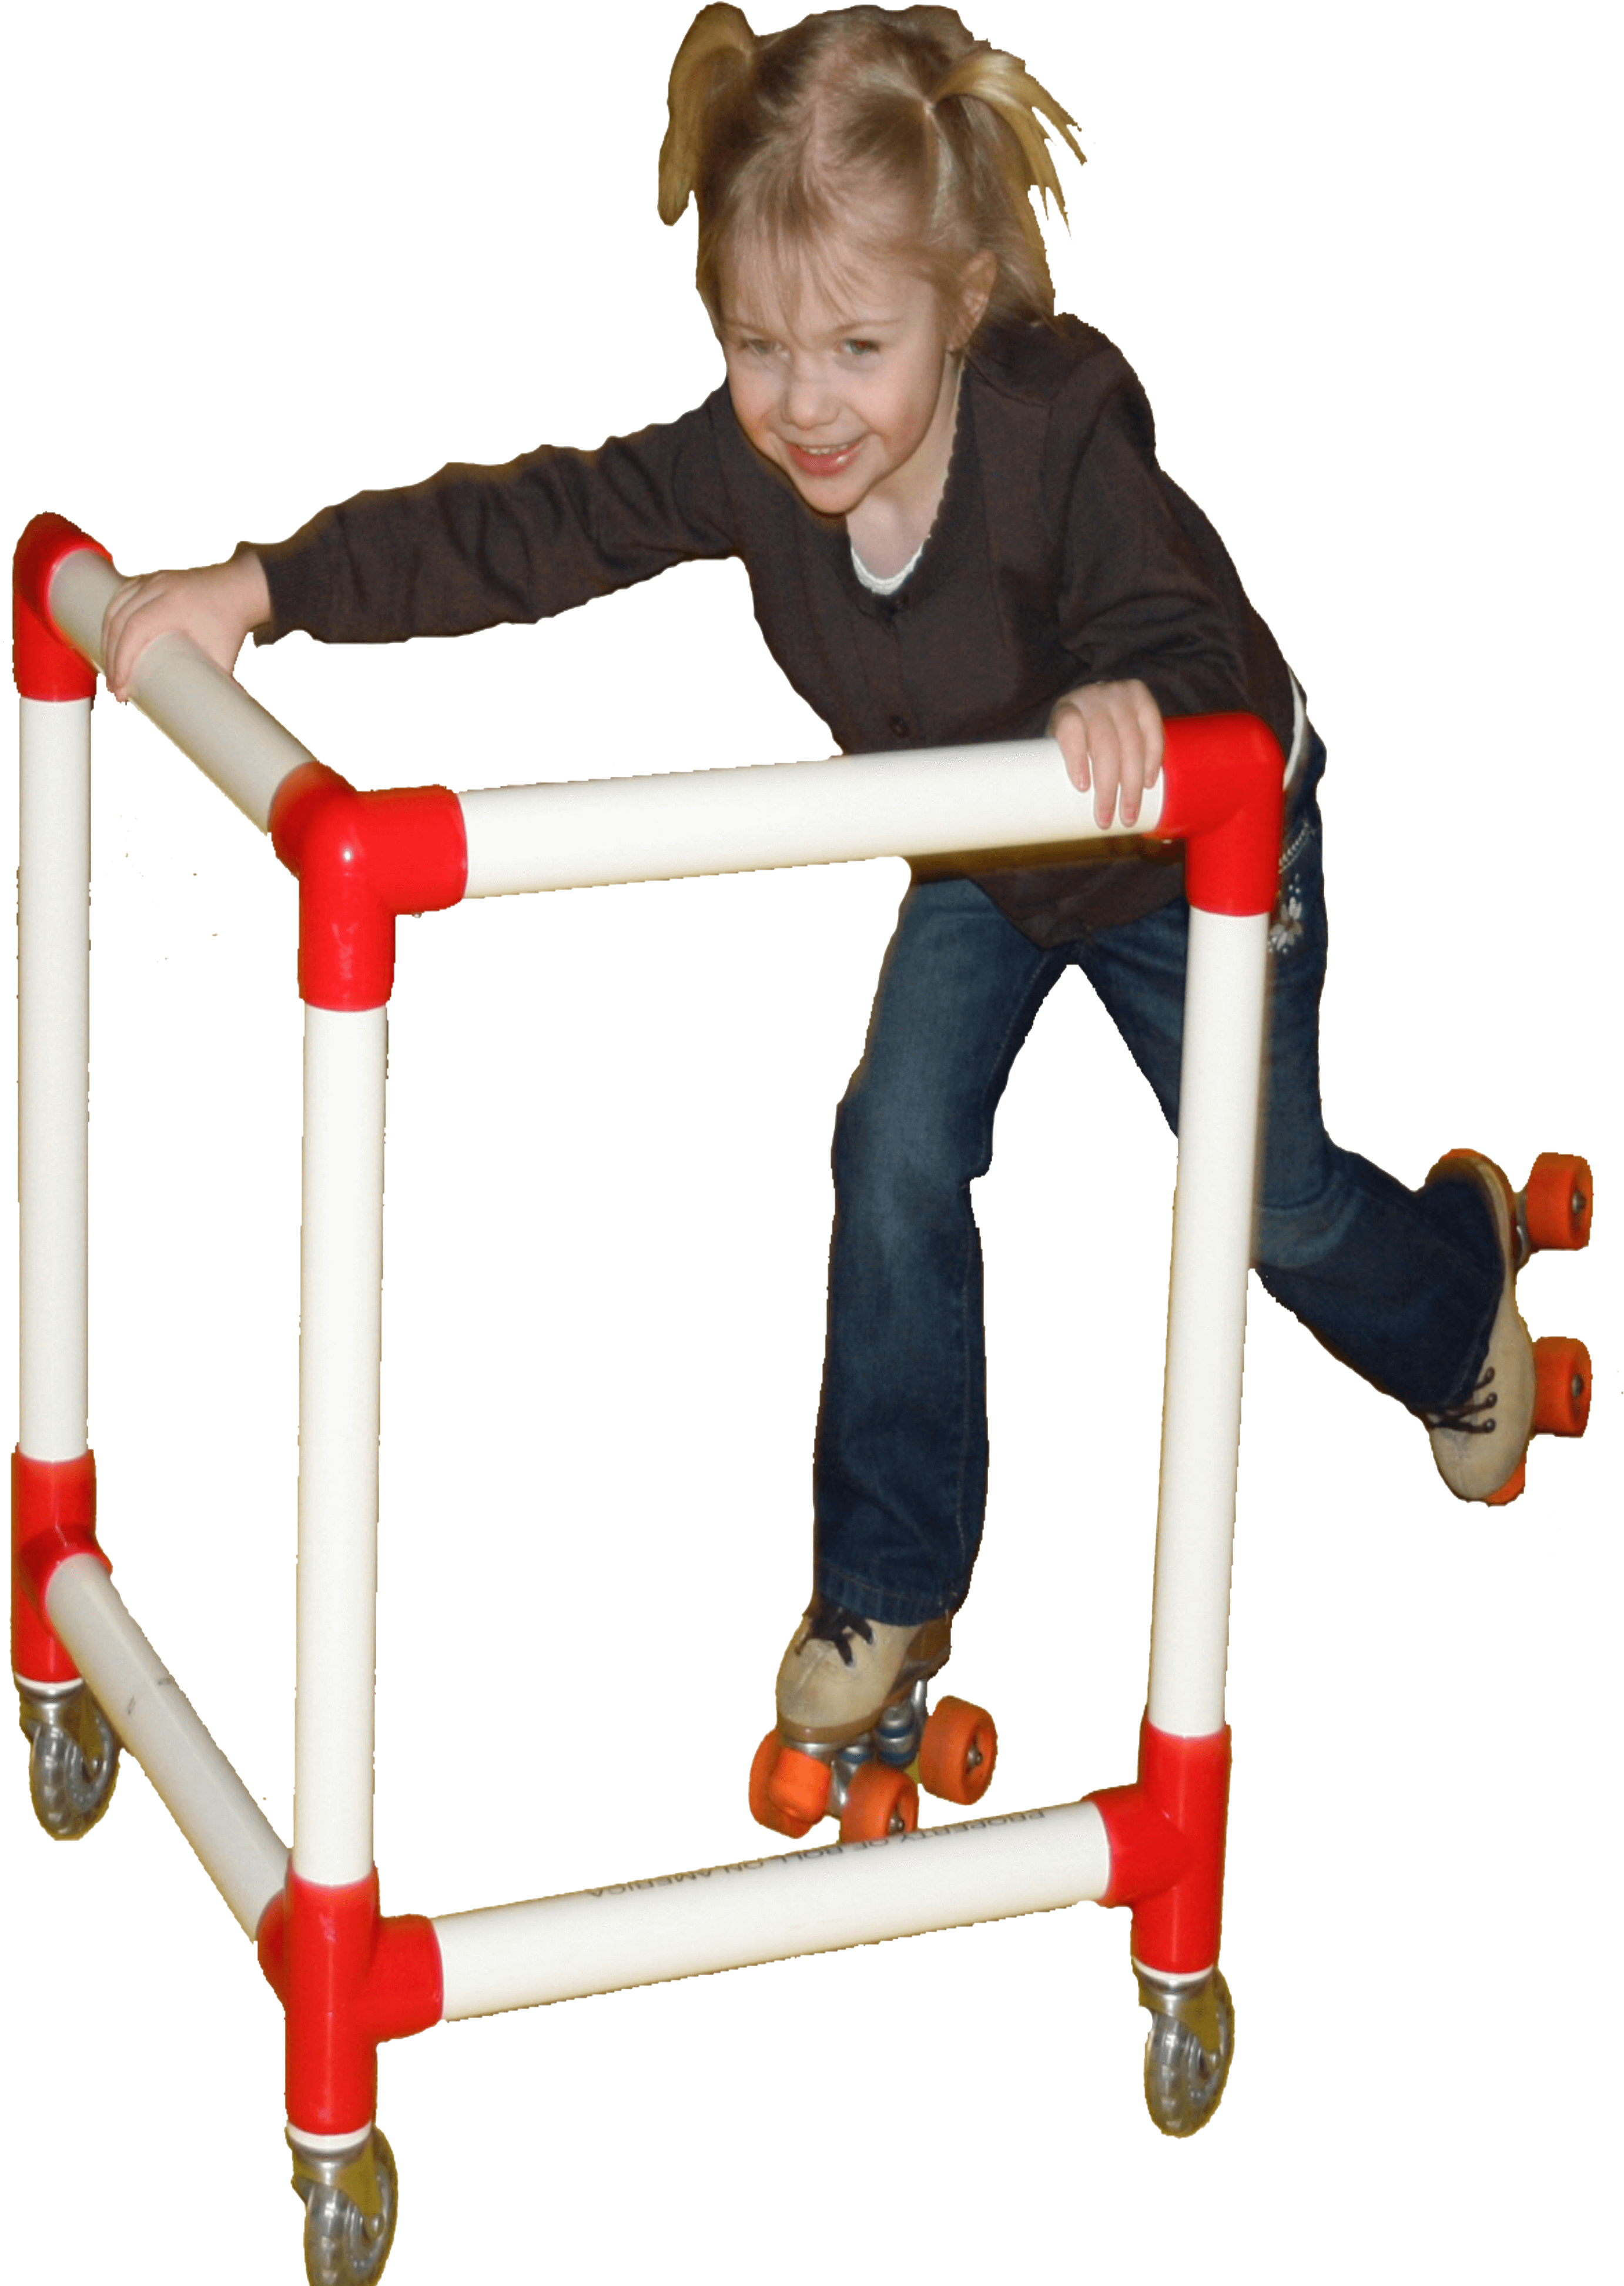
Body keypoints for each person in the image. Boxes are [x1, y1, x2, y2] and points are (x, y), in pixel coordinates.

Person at [99, 5, 1518, 1802]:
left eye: (857, 345)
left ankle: (1455, 1288)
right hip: (996, 853)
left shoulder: (1059, 418)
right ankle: (892, 1580)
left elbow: (1183, 636)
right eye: (759, 345)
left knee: (1268, 1204)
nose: (805, 403)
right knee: (891, 1142)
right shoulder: (752, 458)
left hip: (1193, 844)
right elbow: (529, 526)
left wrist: (1137, 702)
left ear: (964, 298)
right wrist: (264, 587)